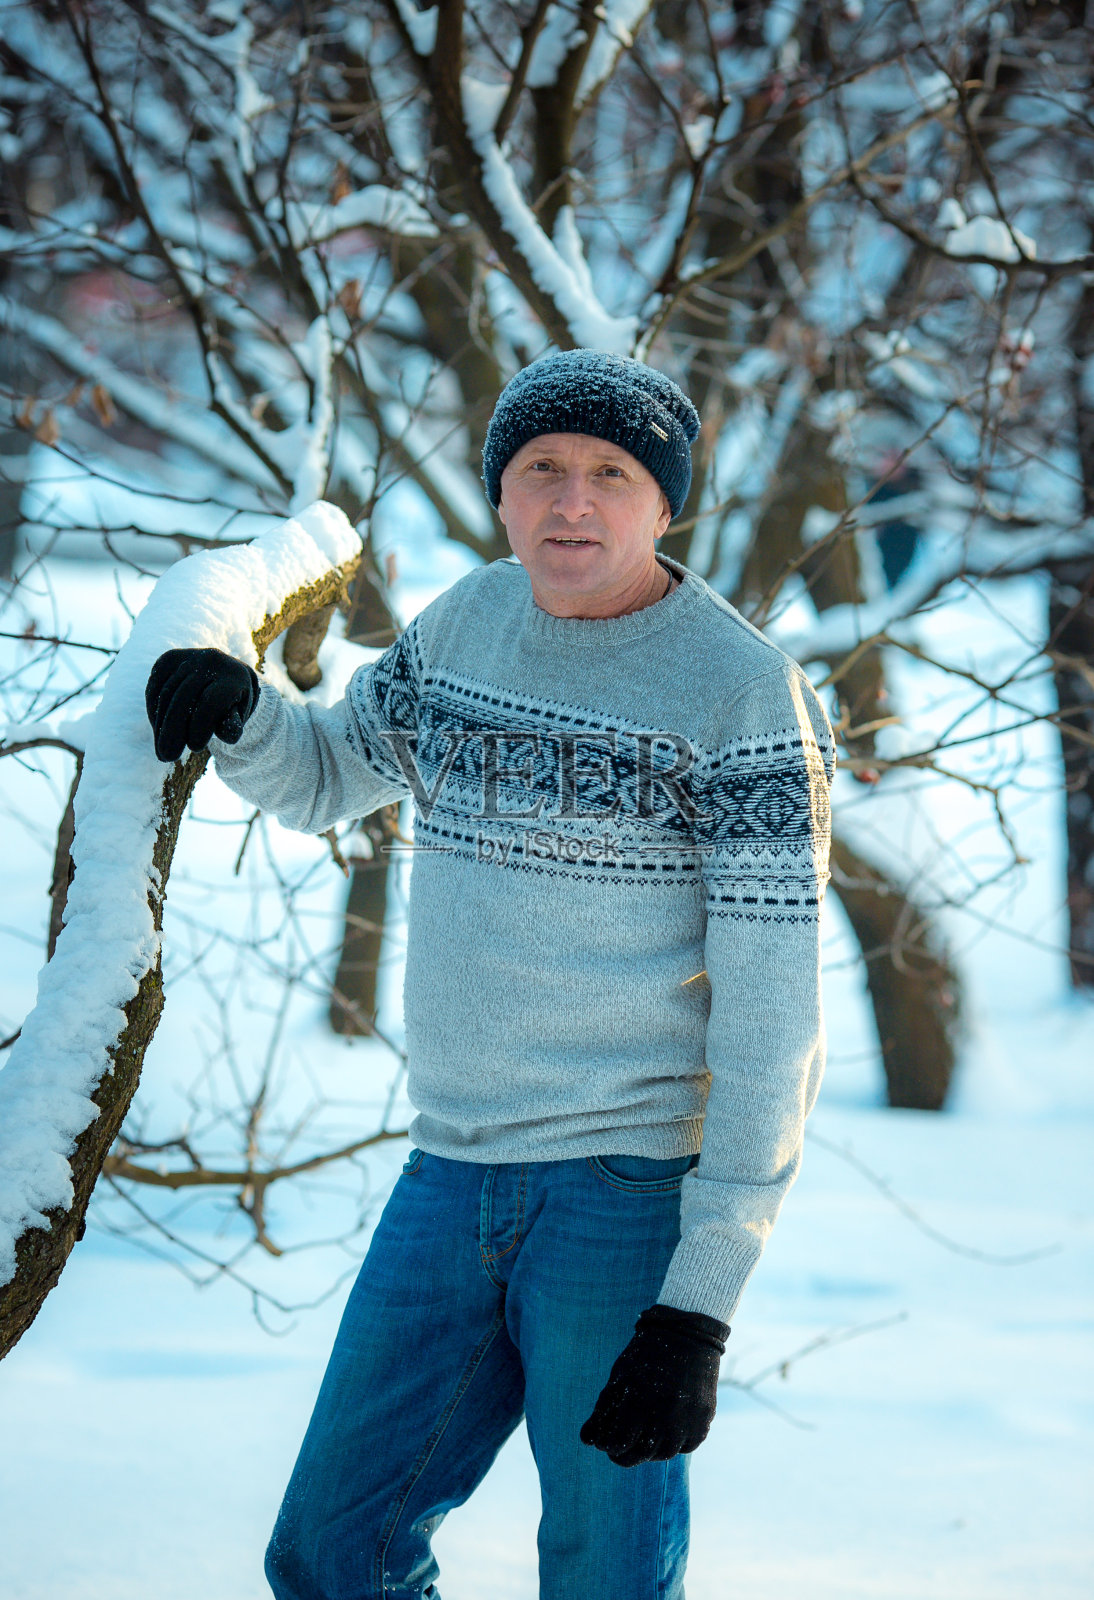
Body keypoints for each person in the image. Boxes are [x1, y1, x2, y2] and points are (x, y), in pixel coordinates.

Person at [145, 348, 836, 1600]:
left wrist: (698, 1302)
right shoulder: (465, 622)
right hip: (449, 1168)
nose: (571, 502)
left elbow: (775, 1019)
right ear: (502, 488)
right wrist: (243, 712)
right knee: (329, 1551)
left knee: (604, 1575)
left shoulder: (741, 696)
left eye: (609, 475)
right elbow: (328, 772)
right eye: (541, 471)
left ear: (661, 503)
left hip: (623, 1190)